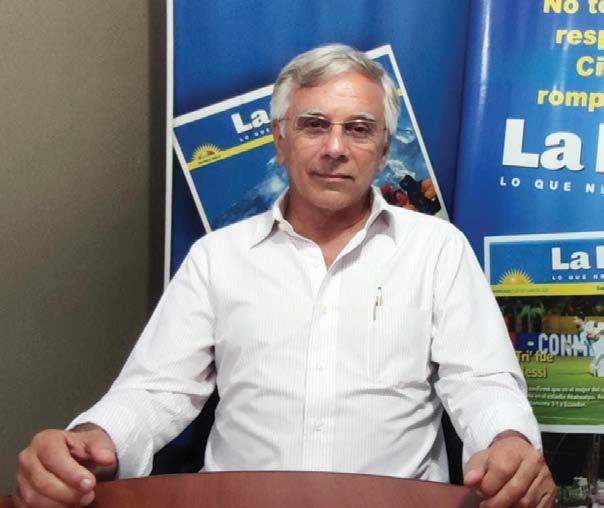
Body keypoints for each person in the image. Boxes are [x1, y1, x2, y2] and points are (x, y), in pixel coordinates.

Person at [14, 44, 556, 508]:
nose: (335, 148)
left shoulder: (438, 249)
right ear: (279, 139)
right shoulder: (217, 257)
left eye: (359, 129)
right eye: (314, 125)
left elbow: (481, 381)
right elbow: (157, 390)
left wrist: (507, 439)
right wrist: (93, 440)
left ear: (384, 151)